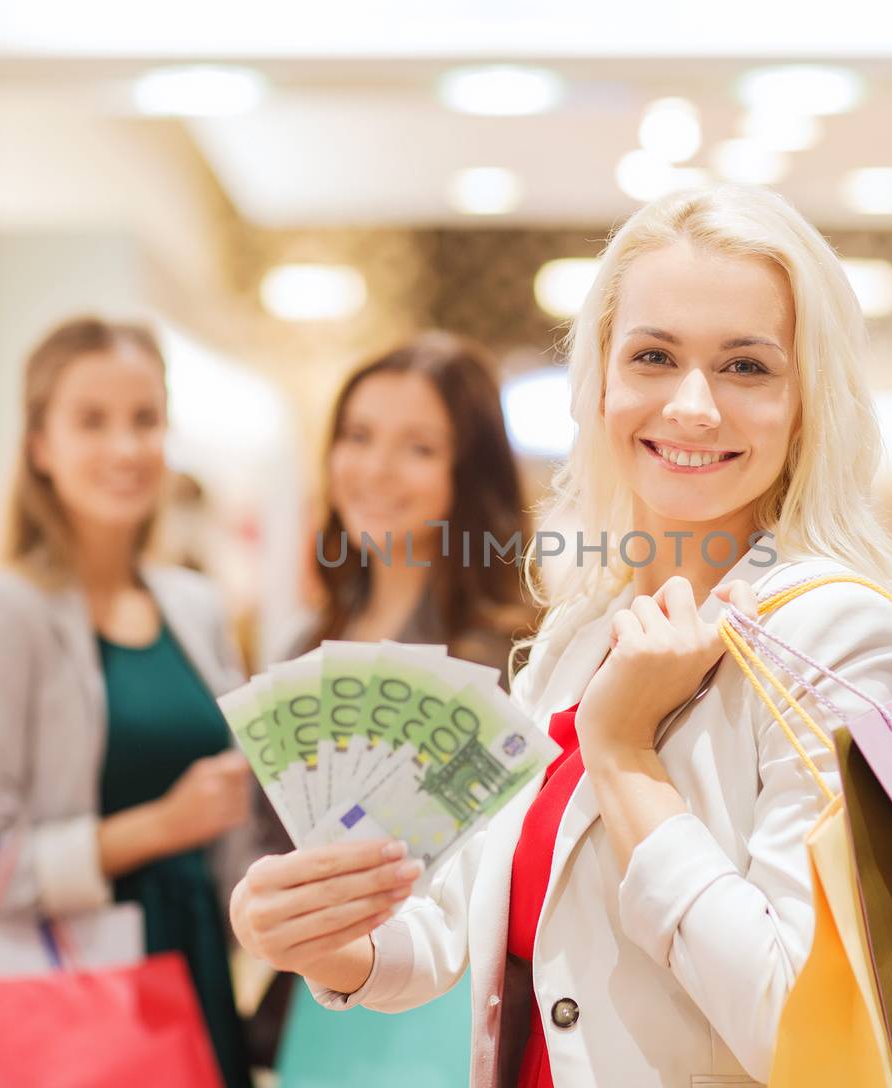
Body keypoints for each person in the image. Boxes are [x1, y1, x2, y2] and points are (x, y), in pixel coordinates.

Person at [229, 185, 892, 1086]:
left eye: (747, 367)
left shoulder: (834, 634)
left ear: (806, 401)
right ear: (600, 380)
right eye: (654, 356)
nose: (693, 406)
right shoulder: (576, 635)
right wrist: (325, 941)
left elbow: (800, 1025)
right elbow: (451, 926)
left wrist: (624, 752)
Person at [0, 316, 256, 1088]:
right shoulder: (4, 615)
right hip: (67, 993)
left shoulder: (195, 609)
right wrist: (156, 828)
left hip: (196, 967)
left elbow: (238, 820)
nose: (126, 448)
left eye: (146, 419)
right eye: (92, 422)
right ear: (40, 445)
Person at [263, 331, 536, 1086]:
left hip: (453, 999)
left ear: (467, 472)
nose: (375, 470)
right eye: (357, 437)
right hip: (325, 1000)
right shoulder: (302, 645)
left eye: (418, 447)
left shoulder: (517, 656)